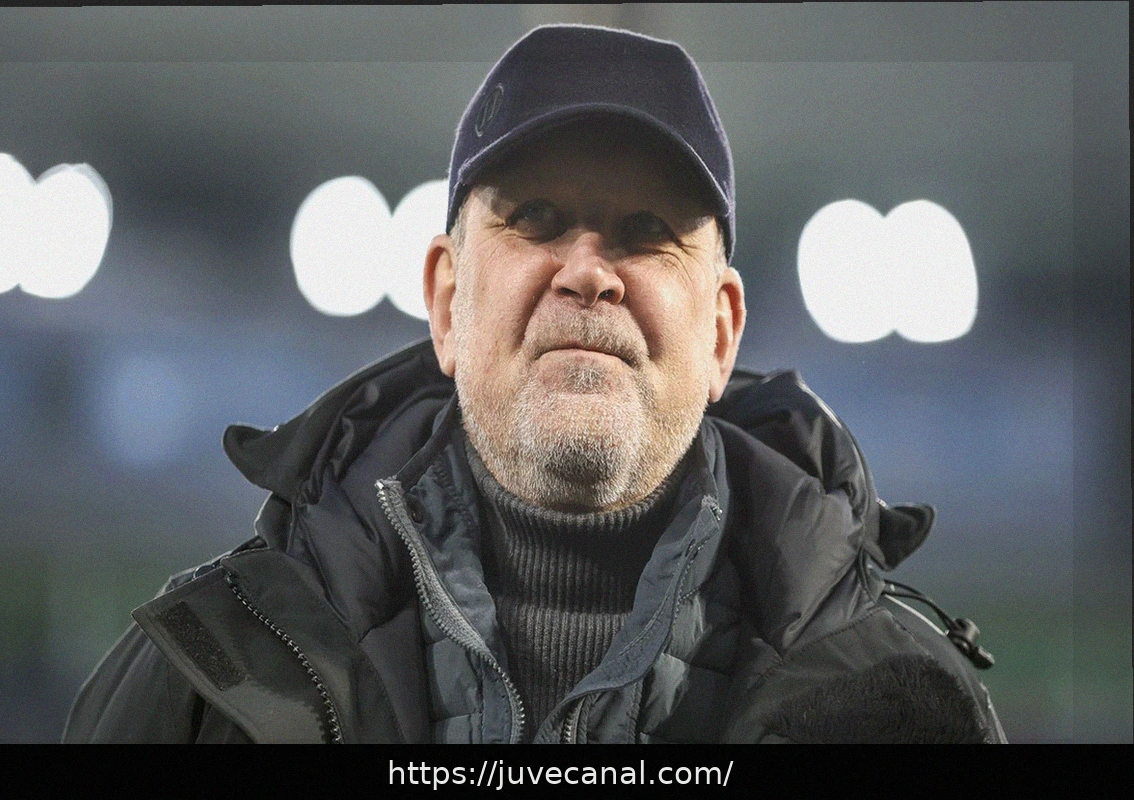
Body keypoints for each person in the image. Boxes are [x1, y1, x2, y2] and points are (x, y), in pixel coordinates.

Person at [63, 24, 1005, 744]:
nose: (588, 272)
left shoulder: (903, 706)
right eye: (537, 219)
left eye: (646, 231)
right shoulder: (208, 667)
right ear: (447, 301)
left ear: (721, 332)